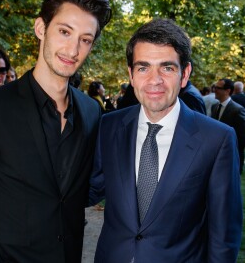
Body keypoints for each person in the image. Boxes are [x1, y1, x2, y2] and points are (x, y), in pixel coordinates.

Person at [0, 0, 111, 263]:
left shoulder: (90, 111)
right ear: (40, 28)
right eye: (64, 31)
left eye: (85, 39)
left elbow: (77, 191)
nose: (73, 50)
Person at [89, 18, 242, 262]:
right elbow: (90, 188)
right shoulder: (110, 126)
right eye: (143, 67)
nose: (154, 80)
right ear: (131, 74)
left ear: (184, 74)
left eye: (167, 68)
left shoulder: (217, 139)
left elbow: (224, 235)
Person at [211, 78, 245, 174]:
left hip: (230, 157)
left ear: (228, 91)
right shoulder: (215, 107)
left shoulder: (238, 110)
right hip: (215, 156)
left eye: (218, 88)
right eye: (214, 87)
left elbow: (241, 138)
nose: (214, 90)